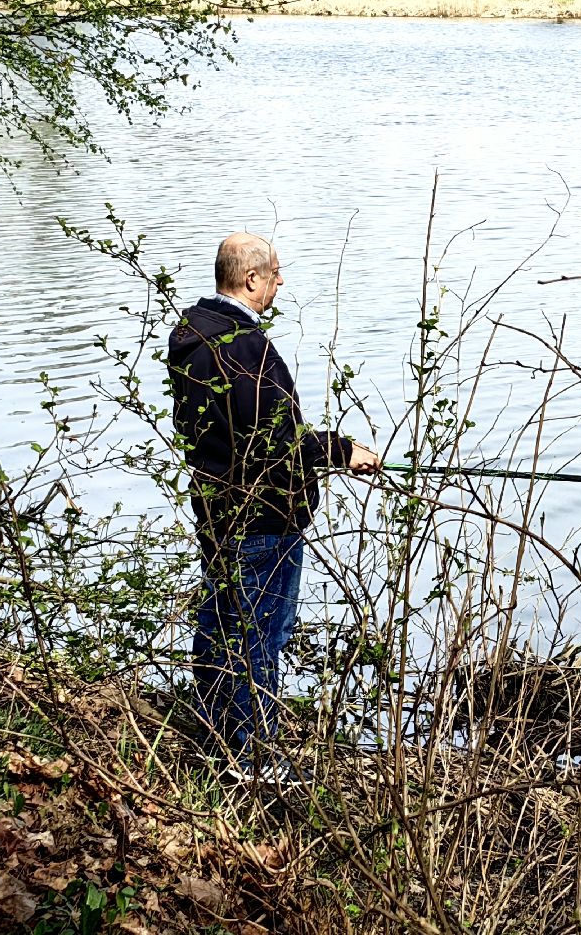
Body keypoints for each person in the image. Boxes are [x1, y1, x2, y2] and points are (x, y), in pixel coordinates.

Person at [167, 232, 379, 775]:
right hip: (262, 517)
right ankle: (251, 757)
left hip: (218, 509)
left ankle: (216, 735)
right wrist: (341, 449)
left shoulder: (193, 333)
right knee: (260, 633)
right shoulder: (243, 345)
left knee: (221, 621)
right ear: (252, 279)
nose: (281, 282)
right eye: (276, 272)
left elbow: (237, 431)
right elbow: (274, 439)